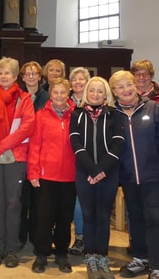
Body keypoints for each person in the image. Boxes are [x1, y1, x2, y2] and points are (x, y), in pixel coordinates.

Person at [110, 70, 159, 279]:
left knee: (155, 219)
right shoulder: (113, 115)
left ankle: (157, 267)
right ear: (114, 92)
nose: (126, 90)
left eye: (128, 85)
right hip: (128, 178)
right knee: (136, 219)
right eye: (120, 87)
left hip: (154, 177)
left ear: (134, 86)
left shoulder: (154, 108)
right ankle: (140, 258)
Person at [0, 57, 35, 268]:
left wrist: (1, 146)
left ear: (15, 77)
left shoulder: (24, 99)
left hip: (15, 158)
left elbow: (27, 127)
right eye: (1, 72)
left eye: (8, 73)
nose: (4, 76)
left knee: (13, 204)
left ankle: (11, 249)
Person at [70, 76, 124, 279]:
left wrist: (101, 170)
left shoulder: (114, 114)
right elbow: (75, 143)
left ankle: (102, 256)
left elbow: (118, 144)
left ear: (106, 94)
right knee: (88, 215)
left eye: (100, 91)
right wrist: (92, 170)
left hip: (108, 174)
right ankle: (90, 257)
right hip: (84, 173)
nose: (95, 94)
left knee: (103, 216)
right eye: (91, 90)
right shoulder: (77, 114)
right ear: (86, 92)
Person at [27, 78, 76, 274]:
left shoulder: (77, 115)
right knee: (44, 218)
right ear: (50, 94)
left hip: (70, 177)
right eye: (55, 92)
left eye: (63, 92)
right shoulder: (41, 115)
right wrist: (33, 171)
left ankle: (62, 254)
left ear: (69, 93)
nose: (59, 96)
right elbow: (35, 145)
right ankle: (41, 253)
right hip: (46, 176)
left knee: (65, 218)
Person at [18, 61, 47, 250]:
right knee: (21, 199)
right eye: (27, 73)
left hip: (41, 153)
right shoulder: (17, 96)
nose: (30, 76)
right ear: (22, 77)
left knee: (39, 200)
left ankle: (37, 238)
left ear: (39, 76)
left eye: (34, 73)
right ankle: (20, 237)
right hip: (21, 153)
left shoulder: (47, 97)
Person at [68, 66, 91, 256]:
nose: (78, 83)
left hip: (90, 158)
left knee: (84, 201)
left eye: (81, 79)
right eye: (74, 80)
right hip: (68, 157)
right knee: (73, 200)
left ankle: (85, 237)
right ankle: (77, 236)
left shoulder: (94, 102)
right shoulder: (65, 102)